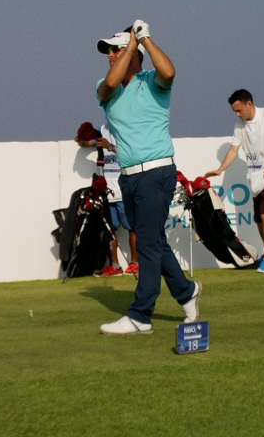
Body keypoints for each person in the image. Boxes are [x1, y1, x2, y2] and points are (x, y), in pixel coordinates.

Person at [96, 20, 201, 335]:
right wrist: (129, 47)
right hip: (128, 178)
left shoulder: (152, 81)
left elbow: (169, 72)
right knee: (154, 239)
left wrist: (145, 39)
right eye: (110, 51)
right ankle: (186, 291)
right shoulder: (105, 86)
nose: (111, 55)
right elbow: (110, 84)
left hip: (157, 171)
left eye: (115, 49)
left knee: (147, 242)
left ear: (135, 53)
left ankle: (141, 315)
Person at [205, 89, 264, 273]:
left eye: (239, 110)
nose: (237, 114)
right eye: (234, 112)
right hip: (255, 175)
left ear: (249, 104)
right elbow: (233, 151)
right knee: (258, 218)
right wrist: (220, 170)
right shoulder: (239, 126)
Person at [76, 124, 139, 276]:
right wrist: (83, 141)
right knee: (109, 231)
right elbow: (87, 143)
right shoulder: (102, 129)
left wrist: (109, 146)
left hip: (124, 190)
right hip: (106, 192)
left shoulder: (127, 129)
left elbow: (133, 153)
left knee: (133, 228)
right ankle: (115, 265)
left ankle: (135, 263)